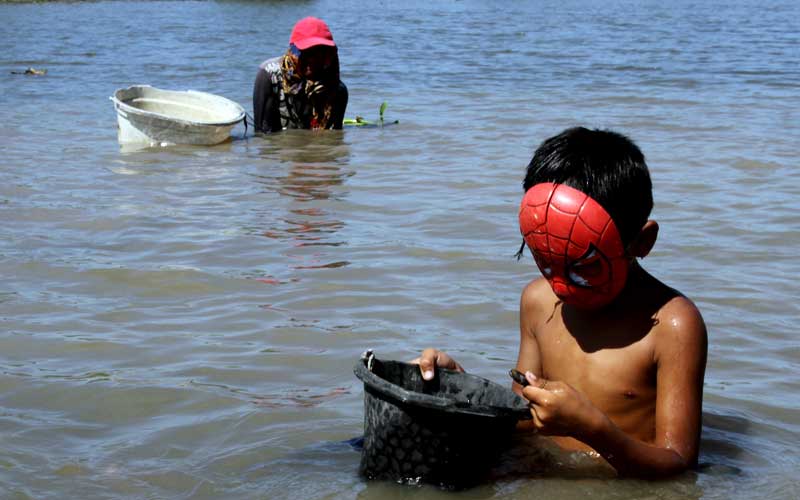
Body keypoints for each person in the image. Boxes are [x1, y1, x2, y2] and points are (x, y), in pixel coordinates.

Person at [413, 127, 708, 479]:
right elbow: (522, 418)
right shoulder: (538, 300)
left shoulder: (672, 325)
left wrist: (592, 429)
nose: (561, 284)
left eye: (583, 267)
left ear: (642, 242)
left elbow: (678, 463)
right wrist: (463, 389)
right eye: (545, 259)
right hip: (540, 469)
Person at [252, 17, 348, 133]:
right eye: (307, 52)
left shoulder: (337, 91)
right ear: (294, 52)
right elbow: (262, 135)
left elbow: (332, 140)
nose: (313, 60)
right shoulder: (269, 75)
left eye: (320, 53)